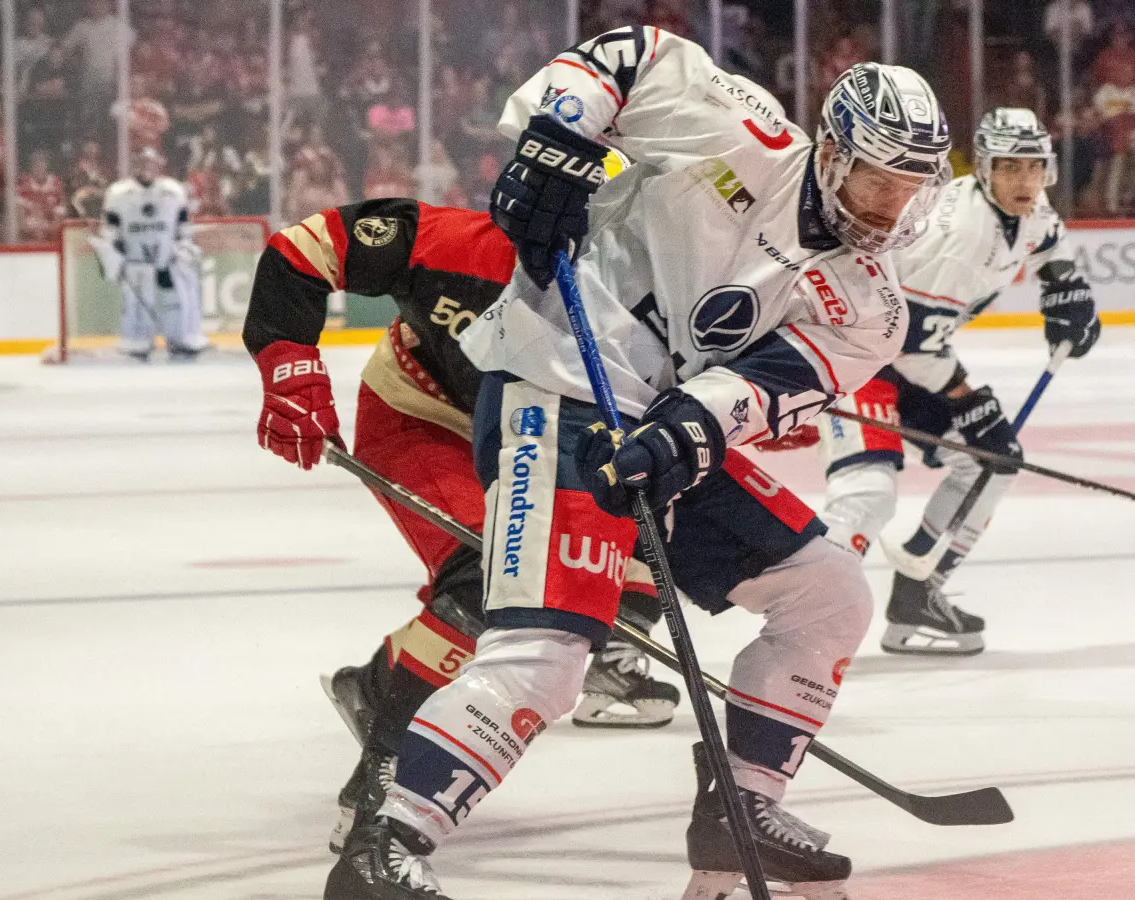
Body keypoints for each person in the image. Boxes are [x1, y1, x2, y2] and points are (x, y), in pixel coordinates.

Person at [323, 26, 952, 900]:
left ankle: (742, 815)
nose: (891, 208)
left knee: (829, 592)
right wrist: (561, 137)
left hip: (656, 433)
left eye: (910, 189)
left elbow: (760, 388)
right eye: (880, 180)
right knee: (547, 653)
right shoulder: (745, 133)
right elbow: (634, 53)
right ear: (835, 152)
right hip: (553, 387)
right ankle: (384, 849)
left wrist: (680, 436)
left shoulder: (872, 305)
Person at [243, 200, 685, 852]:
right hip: (427, 416)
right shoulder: (464, 245)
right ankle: (389, 749)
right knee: (485, 581)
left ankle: (603, 649)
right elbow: (309, 247)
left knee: (656, 512)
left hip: (548, 439)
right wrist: (288, 359)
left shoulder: (672, 299)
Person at [797, 109, 1101, 656]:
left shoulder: (1024, 206)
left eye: (1035, 168)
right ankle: (801, 618)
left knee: (992, 463)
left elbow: (1050, 238)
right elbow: (911, 341)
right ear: (984, 169)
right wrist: (970, 401)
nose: (1026, 182)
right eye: (1011, 168)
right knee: (867, 495)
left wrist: (1066, 286)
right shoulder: (958, 234)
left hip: (906, 357)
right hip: (856, 356)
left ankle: (917, 596)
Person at [95, 147, 206, 360]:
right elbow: (110, 232)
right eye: (140, 162)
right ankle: (136, 342)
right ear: (133, 164)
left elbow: (183, 230)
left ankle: (181, 339)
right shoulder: (118, 193)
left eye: (150, 162)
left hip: (168, 261)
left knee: (177, 301)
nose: (145, 166)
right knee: (135, 306)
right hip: (135, 263)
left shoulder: (173, 191)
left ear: (159, 164)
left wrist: (180, 256)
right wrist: (115, 261)